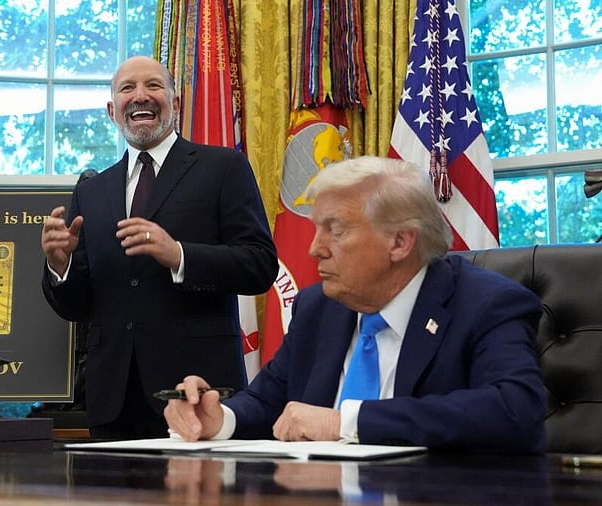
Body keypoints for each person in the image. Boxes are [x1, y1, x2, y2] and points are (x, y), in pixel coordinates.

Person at [164, 155, 547, 452]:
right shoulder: (318, 307)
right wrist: (219, 419)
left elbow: (514, 409)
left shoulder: (487, 304)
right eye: (316, 229)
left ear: (400, 242)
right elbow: (268, 401)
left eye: (335, 230)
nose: (314, 249)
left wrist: (348, 422)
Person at [41, 56, 278, 439]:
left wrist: (180, 255)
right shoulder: (91, 190)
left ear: (176, 102)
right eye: (127, 89)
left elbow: (260, 265)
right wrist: (60, 266)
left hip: (199, 393)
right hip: (113, 400)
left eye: (153, 86)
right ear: (111, 110)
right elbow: (75, 307)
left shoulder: (223, 168)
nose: (140, 97)